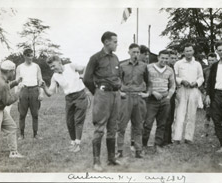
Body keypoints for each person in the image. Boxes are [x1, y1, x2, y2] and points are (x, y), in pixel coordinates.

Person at [83, 31, 122, 171]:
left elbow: (119, 76)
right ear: (106, 42)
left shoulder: (116, 58)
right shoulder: (95, 58)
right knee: (99, 129)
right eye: (115, 41)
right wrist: (98, 92)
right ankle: (96, 161)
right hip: (102, 95)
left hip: (115, 95)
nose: (117, 44)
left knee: (113, 128)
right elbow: (87, 79)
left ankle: (111, 158)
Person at [41, 56, 88, 152]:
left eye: (53, 66)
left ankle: (77, 144)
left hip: (80, 96)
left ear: (59, 62)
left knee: (78, 120)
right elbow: (50, 93)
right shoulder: (55, 76)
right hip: (69, 99)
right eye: (51, 67)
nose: (52, 68)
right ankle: (73, 142)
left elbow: (86, 66)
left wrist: (83, 75)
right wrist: (44, 86)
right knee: (69, 121)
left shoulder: (71, 66)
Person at [0, 60, 24, 158]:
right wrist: (19, 91)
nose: (14, 73)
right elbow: (8, 101)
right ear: (9, 72)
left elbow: (6, 87)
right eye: (13, 71)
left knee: (11, 127)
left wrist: (16, 82)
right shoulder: (1, 83)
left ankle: (13, 153)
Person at [116, 43, 148, 159]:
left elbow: (149, 82)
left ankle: (138, 150)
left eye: (138, 52)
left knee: (138, 125)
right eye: (133, 52)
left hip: (138, 97)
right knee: (121, 125)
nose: (136, 54)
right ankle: (119, 150)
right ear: (129, 52)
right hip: (126, 97)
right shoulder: (122, 66)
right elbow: (117, 81)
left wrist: (147, 93)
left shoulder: (144, 66)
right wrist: (120, 92)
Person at [142, 49, 175, 152]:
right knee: (148, 123)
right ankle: (143, 145)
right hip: (151, 100)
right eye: (162, 58)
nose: (164, 60)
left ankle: (158, 145)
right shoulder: (149, 67)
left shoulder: (170, 70)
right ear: (158, 57)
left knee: (162, 124)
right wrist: (152, 92)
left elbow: (172, 85)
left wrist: (169, 96)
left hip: (165, 100)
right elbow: (144, 83)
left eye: (166, 58)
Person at [172, 44, 204, 144]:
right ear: (183, 52)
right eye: (186, 51)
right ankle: (177, 138)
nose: (188, 53)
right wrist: (181, 81)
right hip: (182, 89)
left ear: (193, 51)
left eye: (190, 51)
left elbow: (201, 77)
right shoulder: (178, 63)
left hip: (193, 90)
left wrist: (196, 83)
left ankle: (188, 138)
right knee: (180, 114)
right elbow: (174, 76)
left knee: (192, 114)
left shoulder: (197, 64)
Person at [16, 48, 44, 140]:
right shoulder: (20, 67)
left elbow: (40, 80)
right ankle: (21, 134)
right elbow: (17, 81)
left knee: (35, 114)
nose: (30, 58)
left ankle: (35, 134)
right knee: (22, 114)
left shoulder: (36, 66)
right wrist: (18, 93)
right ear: (24, 56)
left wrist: (41, 92)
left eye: (32, 55)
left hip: (34, 90)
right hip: (24, 90)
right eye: (28, 56)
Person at [163, 49, 178, 146]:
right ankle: (164, 140)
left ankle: (168, 139)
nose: (173, 60)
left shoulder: (172, 68)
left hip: (172, 95)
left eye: (175, 58)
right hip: (165, 95)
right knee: (166, 118)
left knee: (171, 118)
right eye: (171, 58)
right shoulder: (165, 68)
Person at [202, 53, 218, 136]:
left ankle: (217, 131)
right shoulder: (205, 70)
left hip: (217, 93)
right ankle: (205, 132)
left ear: (216, 60)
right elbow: (202, 82)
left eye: (212, 60)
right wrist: (204, 92)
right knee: (208, 113)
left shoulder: (219, 69)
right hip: (207, 94)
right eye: (209, 60)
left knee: (217, 113)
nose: (211, 62)